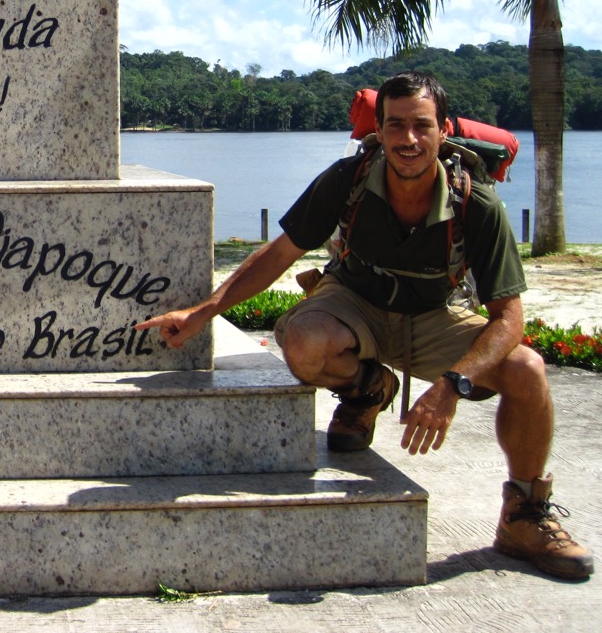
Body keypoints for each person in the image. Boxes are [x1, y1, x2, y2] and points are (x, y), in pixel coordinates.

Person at [137, 71, 593, 580]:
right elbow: (280, 254)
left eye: (422, 126)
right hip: (354, 302)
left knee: (527, 369)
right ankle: (367, 390)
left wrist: (452, 385)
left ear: (444, 130)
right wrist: (201, 313)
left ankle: (524, 514)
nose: (409, 140)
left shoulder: (475, 202)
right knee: (305, 344)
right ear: (379, 130)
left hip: (434, 315)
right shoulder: (347, 179)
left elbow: (508, 318)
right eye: (396, 126)